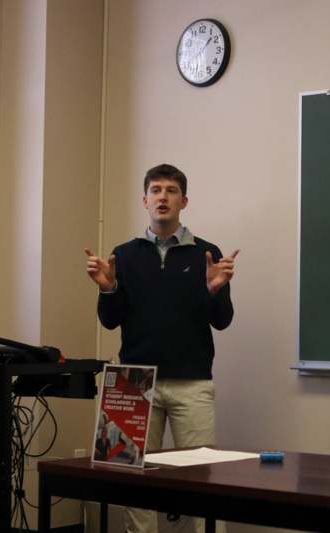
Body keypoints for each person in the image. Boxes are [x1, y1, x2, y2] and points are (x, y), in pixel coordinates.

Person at [85, 163, 237, 533]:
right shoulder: (125, 253)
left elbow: (222, 320)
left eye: (171, 190)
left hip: (192, 381)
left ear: (183, 200)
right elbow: (109, 320)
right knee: (132, 483)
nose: (163, 197)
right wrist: (107, 289)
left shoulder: (206, 253)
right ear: (145, 200)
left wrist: (214, 291)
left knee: (203, 481)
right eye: (156, 190)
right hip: (132, 382)